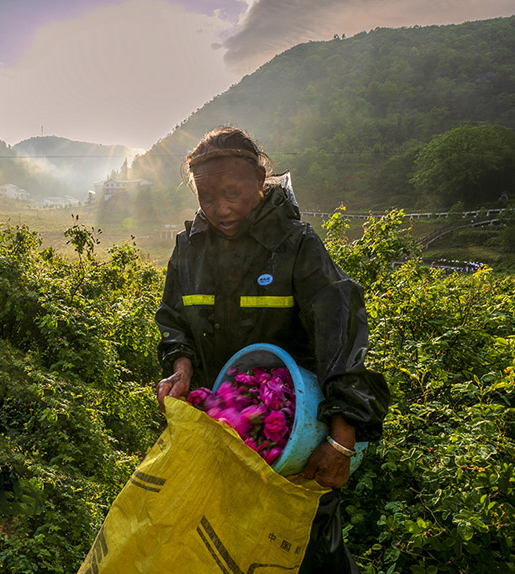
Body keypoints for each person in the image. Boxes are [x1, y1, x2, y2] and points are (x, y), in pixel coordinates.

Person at [154, 126, 390, 573]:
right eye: (207, 197)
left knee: (306, 549)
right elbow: (173, 319)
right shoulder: (189, 250)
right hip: (225, 433)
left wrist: (341, 440)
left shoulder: (297, 247)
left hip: (295, 436)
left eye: (233, 193)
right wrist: (180, 365)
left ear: (260, 181)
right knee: (223, 545)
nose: (220, 208)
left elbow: (340, 338)